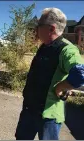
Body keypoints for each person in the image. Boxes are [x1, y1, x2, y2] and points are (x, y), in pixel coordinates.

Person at [15, 7, 84, 140]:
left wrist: (62, 86)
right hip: (29, 108)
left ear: (51, 29)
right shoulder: (44, 46)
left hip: (48, 116)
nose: (36, 29)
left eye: (39, 25)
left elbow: (81, 73)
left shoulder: (67, 49)